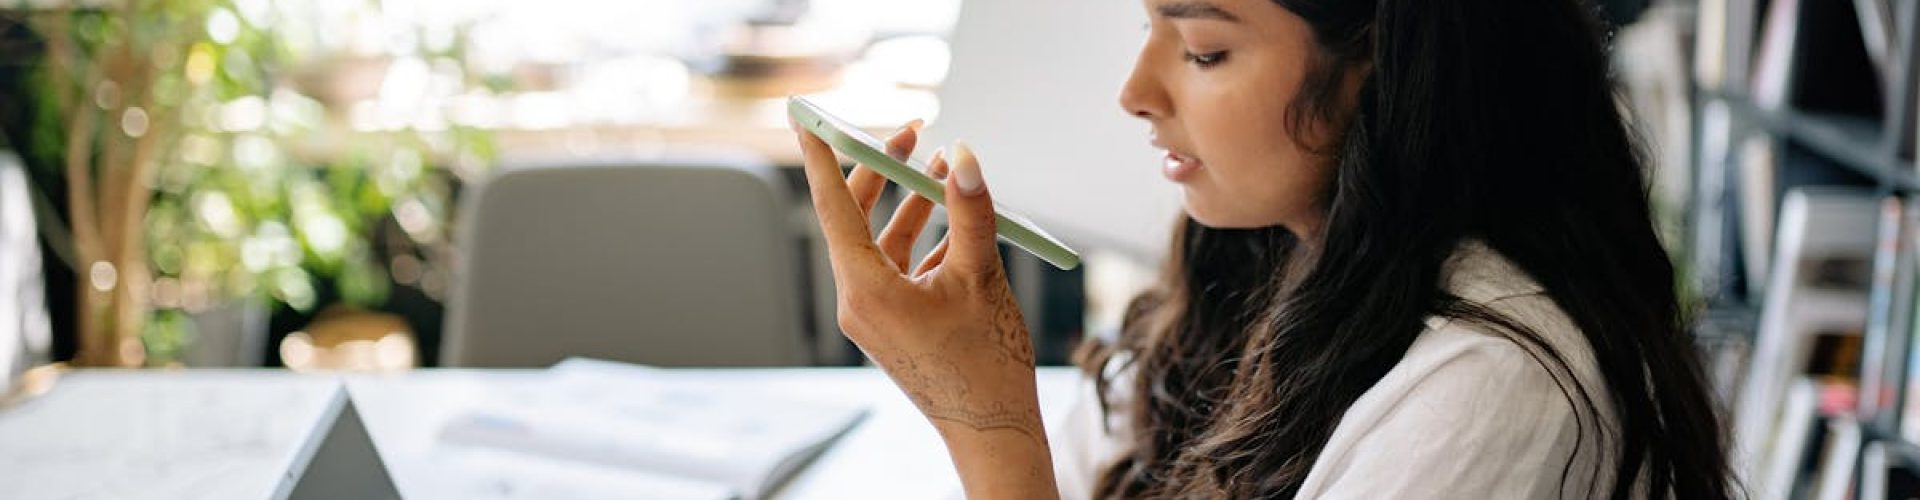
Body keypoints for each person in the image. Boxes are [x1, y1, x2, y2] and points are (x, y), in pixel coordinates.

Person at [790, 0, 1732, 497]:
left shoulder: (1499, 388)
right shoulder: (1257, 261)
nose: (1135, 90)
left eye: (1202, 50)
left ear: (1381, 68)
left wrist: (987, 426)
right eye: (1146, 26)